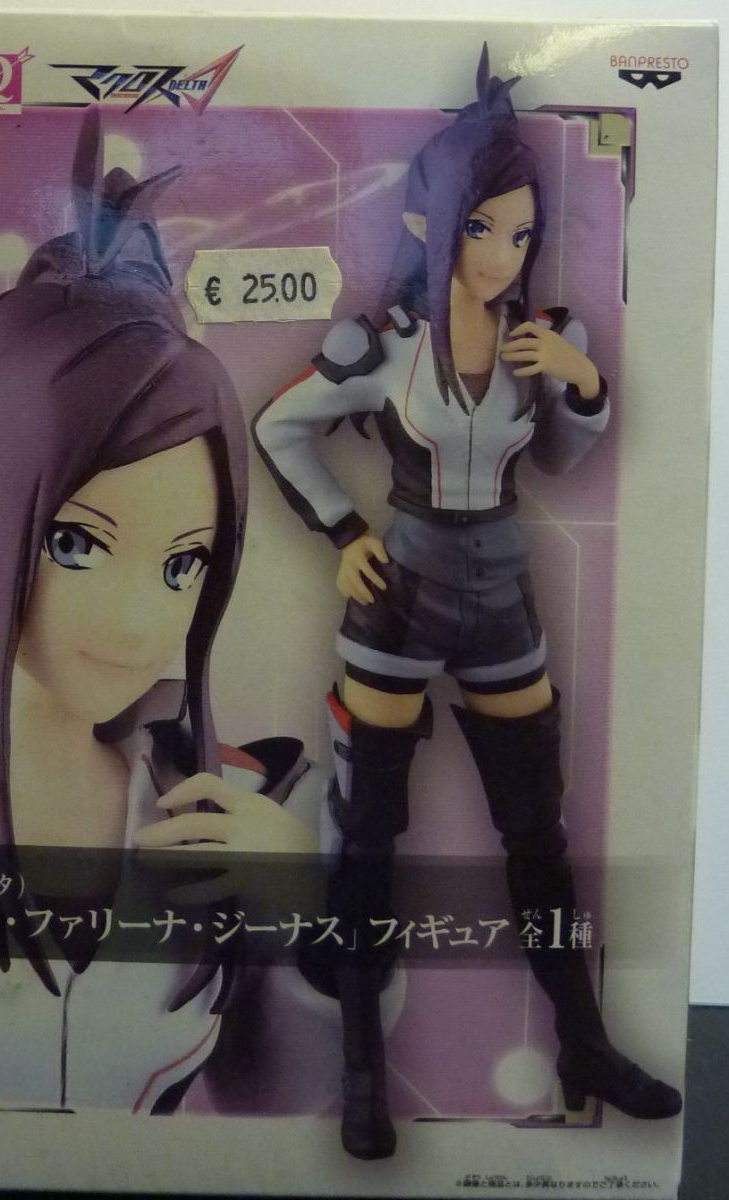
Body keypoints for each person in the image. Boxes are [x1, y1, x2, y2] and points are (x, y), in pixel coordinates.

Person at [253, 45, 681, 1159]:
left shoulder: (550, 340)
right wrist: (341, 532)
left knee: (536, 829)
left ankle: (582, 1041)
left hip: (500, 593)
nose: (501, 254)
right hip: (399, 592)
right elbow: (279, 427)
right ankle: (362, 1072)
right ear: (427, 223)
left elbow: (564, 464)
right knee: (367, 840)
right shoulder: (383, 344)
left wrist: (584, 384)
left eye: (521, 234)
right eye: (481, 228)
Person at [0, 110, 317, 1115]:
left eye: (184, 563)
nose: (139, 625)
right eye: (74, 543)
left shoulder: (222, 802)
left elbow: (287, 1107)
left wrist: (310, 921)